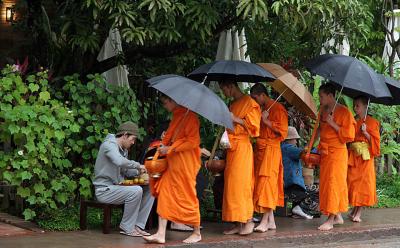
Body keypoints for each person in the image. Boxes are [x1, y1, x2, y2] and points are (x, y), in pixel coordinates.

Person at [144, 94, 202, 244]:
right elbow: (171, 136)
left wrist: (171, 147)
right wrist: (164, 143)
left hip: (185, 163)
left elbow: (193, 142)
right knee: (165, 194)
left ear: (172, 100)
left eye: (165, 103)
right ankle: (160, 233)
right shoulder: (178, 116)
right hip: (173, 163)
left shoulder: (190, 117)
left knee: (188, 196)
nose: (165, 107)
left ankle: (196, 232)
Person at [93, 121, 154, 237]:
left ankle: (138, 225)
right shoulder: (109, 145)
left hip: (117, 188)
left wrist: (139, 171)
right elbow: (119, 161)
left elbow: (125, 170)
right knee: (136, 190)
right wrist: (137, 165)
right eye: (133, 139)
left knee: (151, 188)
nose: (133, 142)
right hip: (104, 190)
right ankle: (127, 228)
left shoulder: (123, 150)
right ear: (125, 135)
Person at [218, 81, 261, 235]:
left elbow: (255, 129)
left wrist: (235, 118)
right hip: (231, 149)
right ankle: (237, 222)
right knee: (231, 187)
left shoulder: (250, 103)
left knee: (242, 185)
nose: (224, 93)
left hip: (242, 148)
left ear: (230, 86)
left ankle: (248, 221)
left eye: (224, 89)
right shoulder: (233, 104)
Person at [314, 83, 355, 231]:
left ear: (331, 96)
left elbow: (349, 136)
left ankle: (330, 220)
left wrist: (333, 124)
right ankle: (337, 215)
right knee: (326, 184)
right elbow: (319, 129)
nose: (320, 99)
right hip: (325, 152)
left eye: (322, 96)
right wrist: (311, 145)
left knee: (333, 184)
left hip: (337, 153)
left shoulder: (344, 112)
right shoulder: (323, 110)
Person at [250, 84, 288, 232]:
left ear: (262, 95)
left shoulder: (278, 108)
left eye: (255, 97)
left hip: (271, 150)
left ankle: (265, 221)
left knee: (267, 184)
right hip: (261, 150)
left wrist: (267, 121)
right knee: (262, 183)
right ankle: (271, 220)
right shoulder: (261, 109)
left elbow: (283, 133)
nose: (254, 100)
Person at [347, 95, 380, 222]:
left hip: (366, 158)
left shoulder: (373, 122)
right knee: (353, 183)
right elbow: (350, 138)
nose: (355, 108)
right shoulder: (354, 121)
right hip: (354, 157)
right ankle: (354, 210)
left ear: (366, 106)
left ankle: (358, 213)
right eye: (354, 105)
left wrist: (366, 133)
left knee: (363, 185)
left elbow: (376, 143)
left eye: (358, 106)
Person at [281, 126, 313, 220]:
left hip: (286, 178)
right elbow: (302, 153)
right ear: (289, 139)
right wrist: (310, 147)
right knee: (301, 195)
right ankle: (297, 209)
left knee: (293, 197)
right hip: (293, 179)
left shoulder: (281, 147)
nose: (296, 142)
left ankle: (296, 211)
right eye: (295, 139)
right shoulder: (289, 148)